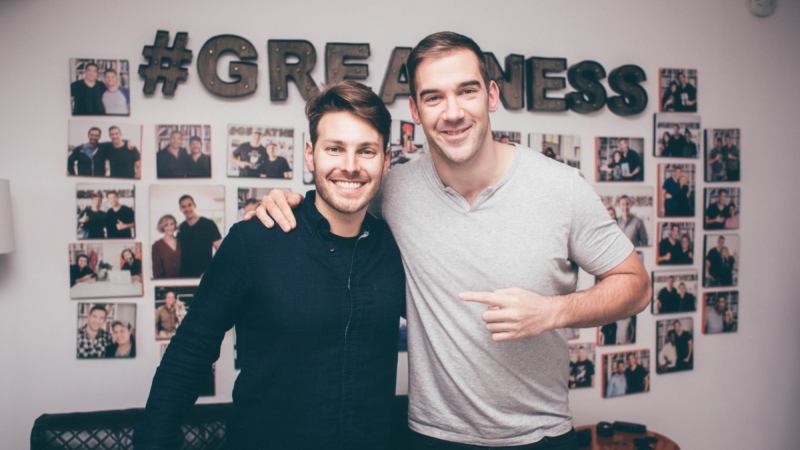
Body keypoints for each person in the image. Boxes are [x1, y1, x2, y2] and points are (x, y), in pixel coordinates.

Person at [253, 32, 651, 448]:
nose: (453, 112)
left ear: (491, 95)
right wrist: (283, 202)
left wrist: (553, 311)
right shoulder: (394, 190)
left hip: (540, 435)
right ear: (415, 110)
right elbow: (338, 199)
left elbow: (636, 286)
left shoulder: (561, 188)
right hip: (432, 436)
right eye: (434, 97)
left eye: (467, 91)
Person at [136, 81, 406, 450]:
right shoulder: (254, 240)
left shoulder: (395, 248)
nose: (350, 166)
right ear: (310, 154)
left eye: (367, 151)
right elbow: (189, 354)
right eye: (334, 148)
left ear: (386, 160)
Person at [176, 195, 222, 278]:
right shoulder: (181, 228)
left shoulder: (208, 224)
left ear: (194, 205)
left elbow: (220, 250)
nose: (187, 209)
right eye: (183, 207)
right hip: (184, 275)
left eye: (189, 205)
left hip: (205, 274)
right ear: (180, 209)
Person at [152, 214, 181, 279]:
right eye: (166, 225)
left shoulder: (181, 242)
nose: (170, 227)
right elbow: (157, 271)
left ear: (175, 225)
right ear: (162, 227)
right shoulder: (157, 245)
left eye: (172, 224)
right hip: (166, 283)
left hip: (184, 281)